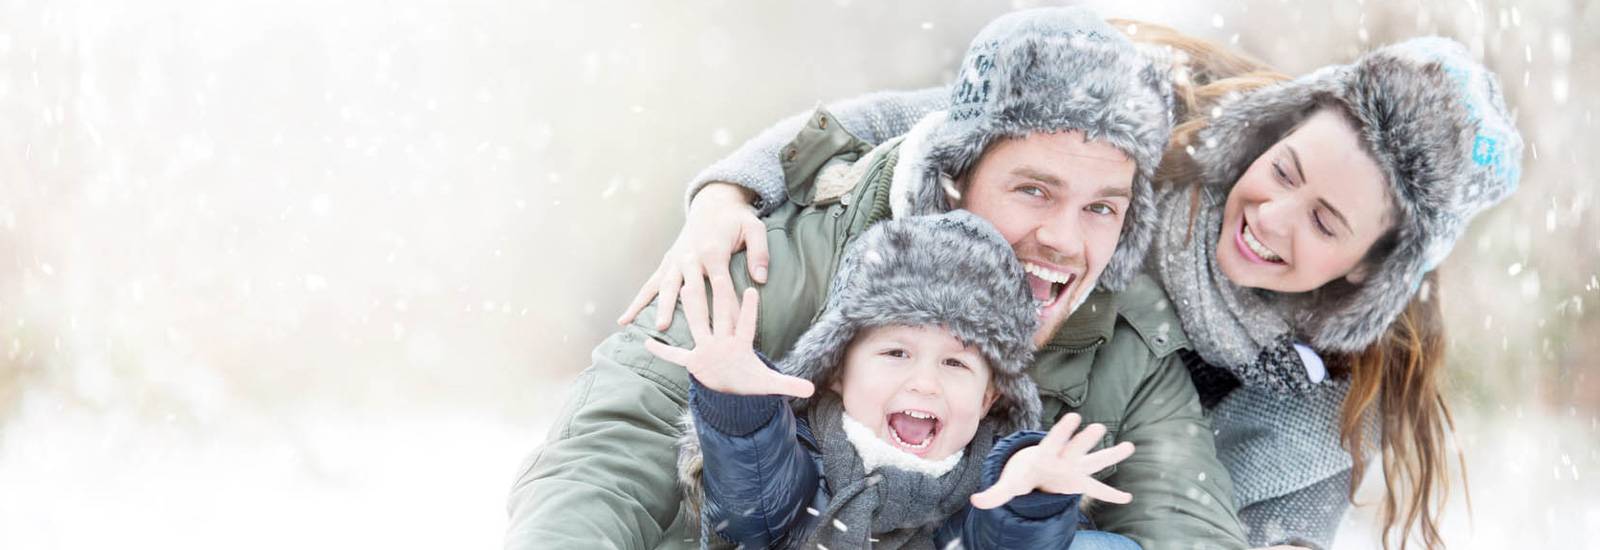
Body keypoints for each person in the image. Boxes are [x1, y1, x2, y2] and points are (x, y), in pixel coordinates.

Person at [629, 18, 1523, 549]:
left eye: (1327, 222)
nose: (1273, 218)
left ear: (1371, 268)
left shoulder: (1309, 422)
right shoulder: (1142, 155)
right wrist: (729, 189)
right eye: (1285, 172)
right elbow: (927, 122)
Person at [508, 7, 1251, 550]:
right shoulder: (788, 254)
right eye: (1034, 190)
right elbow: (614, 445)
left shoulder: (1122, 341)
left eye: (1101, 208)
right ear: (955, 177)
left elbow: (1181, 516)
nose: (1063, 238)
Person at [663, 212, 1136, 549]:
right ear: (836, 372)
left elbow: (995, 539)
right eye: (896, 353)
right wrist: (738, 406)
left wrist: (1030, 499)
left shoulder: (985, 479)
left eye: (956, 364)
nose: (925, 383)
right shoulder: (805, 449)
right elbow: (755, 508)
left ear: (991, 396)